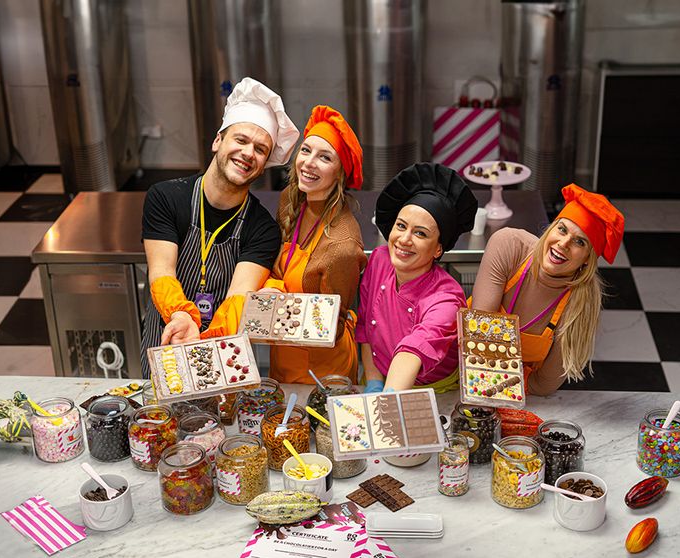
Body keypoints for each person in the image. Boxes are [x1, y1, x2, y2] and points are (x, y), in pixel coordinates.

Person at [140, 77, 299, 377]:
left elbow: (238, 296)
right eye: (240, 140)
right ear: (218, 141)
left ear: (264, 163)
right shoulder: (166, 197)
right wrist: (182, 317)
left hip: (222, 351)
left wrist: (203, 341)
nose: (248, 153)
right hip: (168, 336)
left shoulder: (263, 229)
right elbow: (161, 272)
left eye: (260, 149)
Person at [469, 183, 624, 395]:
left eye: (579, 242)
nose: (563, 243)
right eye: (562, 229)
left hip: (522, 393)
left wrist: (507, 396)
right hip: (464, 365)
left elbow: (544, 385)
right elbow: (480, 332)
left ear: (587, 260)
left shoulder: (581, 303)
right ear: (551, 228)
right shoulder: (510, 245)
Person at [259, 105, 367, 385]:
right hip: (282, 352)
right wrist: (272, 289)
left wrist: (273, 305)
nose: (308, 163)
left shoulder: (342, 245)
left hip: (321, 369)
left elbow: (332, 325)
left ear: (340, 174)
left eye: (325, 157)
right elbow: (276, 265)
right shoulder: (290, 200)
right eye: (306, 151)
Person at [359, 163, 477, 393]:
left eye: (420, 233)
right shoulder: (380, 260)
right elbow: (365, 326)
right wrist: (374, 382)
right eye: (401, 226)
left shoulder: (447, 298)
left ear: (437, 250)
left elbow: (413, 350)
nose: (404, 239)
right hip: (379, 376)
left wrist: (388, 398)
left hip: (432, 389)